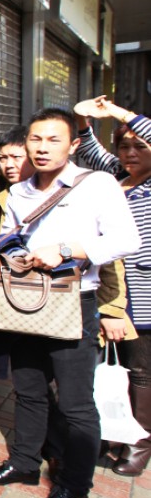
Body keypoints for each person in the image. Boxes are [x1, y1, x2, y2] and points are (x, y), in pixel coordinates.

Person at [0, 107, 140, 498]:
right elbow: (11, 238)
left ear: (73, 144)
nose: (43, 147)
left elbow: (127, 239)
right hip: (24, 302)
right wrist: (12, 252)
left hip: (73, 303)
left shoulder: (97, 184)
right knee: (29, 390)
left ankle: (74, 488)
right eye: (36, 139)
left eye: (53, 140)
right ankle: (26, 463)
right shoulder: (20, 191)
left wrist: (68, 250)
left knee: (75, 404)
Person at [71, 95, 151, 476]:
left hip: (145, 292)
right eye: (124, 146)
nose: (130, 153)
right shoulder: (119, 177)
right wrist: (83, 120)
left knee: (141, 368)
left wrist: (118, 114)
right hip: (112, 290)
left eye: (140, 146)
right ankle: (113, 429)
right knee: (110, 364)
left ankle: (141, 441)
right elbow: (91, 153)